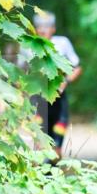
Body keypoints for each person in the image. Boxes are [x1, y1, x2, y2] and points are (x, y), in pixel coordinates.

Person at [20, 11, 82, 160]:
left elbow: (77, 67)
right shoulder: (27, 45)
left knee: (57, 146)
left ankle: (53, 175)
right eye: (39, 27)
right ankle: (42, 177)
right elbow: (20, 72)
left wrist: (65, 81)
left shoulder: (62, 43)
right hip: (37, 99)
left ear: (53, 28)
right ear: (35, 29)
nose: (43, 30)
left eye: (46, 26)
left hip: (58, 98)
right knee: (40, 143)